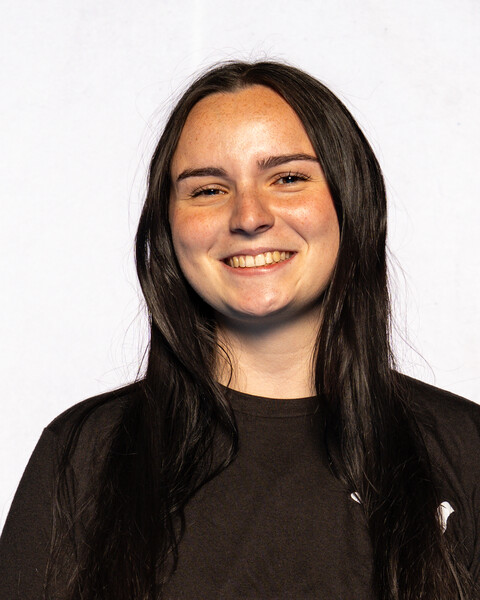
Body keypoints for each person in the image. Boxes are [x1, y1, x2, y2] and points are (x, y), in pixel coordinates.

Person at [0, 60, 479, 600]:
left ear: (351, 201)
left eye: (288, 178)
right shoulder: (84, 454)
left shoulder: (465, 449)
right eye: (208, 189)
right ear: (168, 226)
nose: (249, 216)